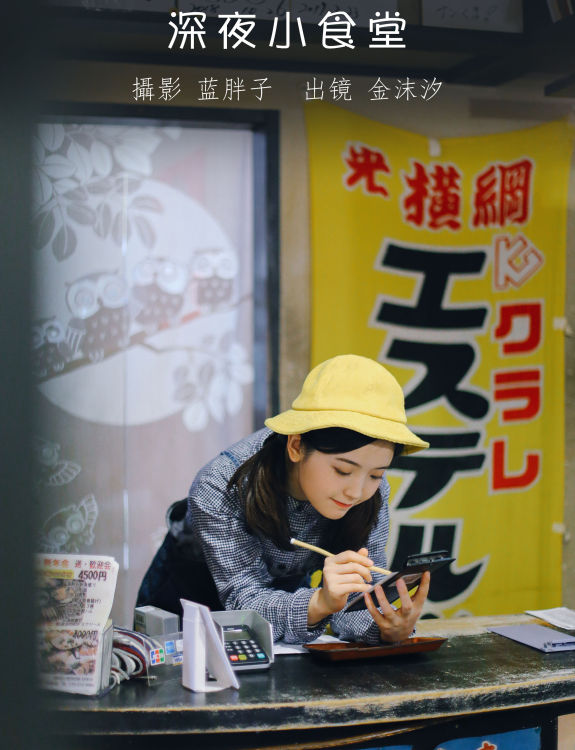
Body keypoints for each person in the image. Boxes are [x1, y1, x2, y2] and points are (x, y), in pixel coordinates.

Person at [136, 354, 431, 644]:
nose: (356, 492)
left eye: (376, 474)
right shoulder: (221, 484)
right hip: (185, 607)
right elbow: (243, 599)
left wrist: (386, 627)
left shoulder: (371, 493)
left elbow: (357, 599)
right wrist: (318, 603)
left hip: (286, 611)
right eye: (342, 470)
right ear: (296, 445)